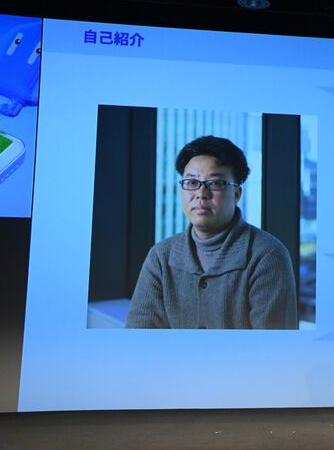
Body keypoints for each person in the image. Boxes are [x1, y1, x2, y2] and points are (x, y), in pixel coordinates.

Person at [126, 135, 298, 329]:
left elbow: (273, 346)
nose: (201, 194)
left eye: (215, 183)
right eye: (191, 182)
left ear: (236, 194)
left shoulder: (267, 256)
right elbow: (138, 337)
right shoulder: (161, 256)